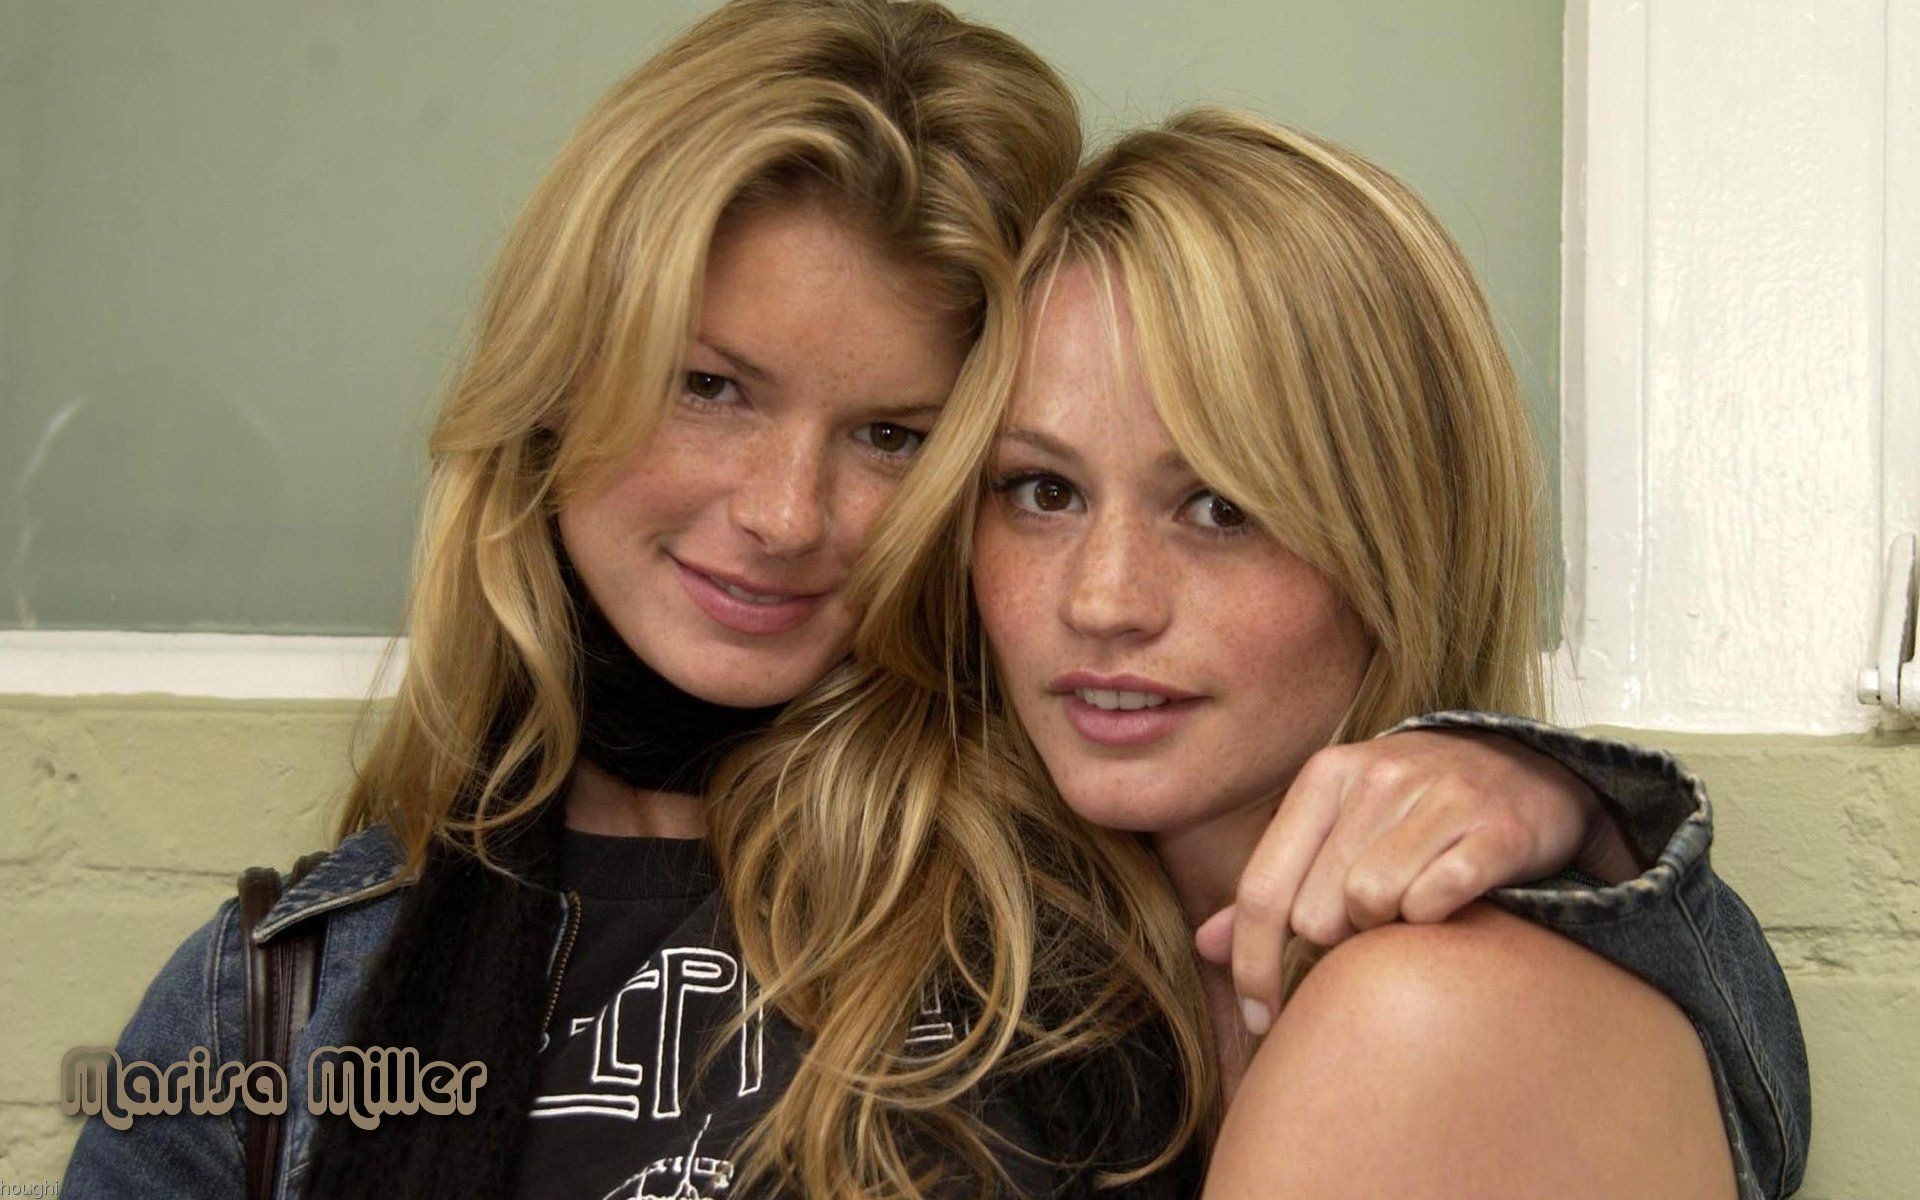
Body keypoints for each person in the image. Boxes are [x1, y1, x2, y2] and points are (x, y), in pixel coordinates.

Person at [63, 4, 1803, 1199]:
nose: (782, 515)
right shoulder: (271, 993)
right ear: (555, 378)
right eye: (710, 386)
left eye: (896, 434)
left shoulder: (1063, 879)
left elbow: (1621, 1055)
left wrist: (1559, 807)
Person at [723, 108, 1809, 1198]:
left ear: (1397, 540)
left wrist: (1590, 805)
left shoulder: (1428, 1008)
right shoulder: (1020, 942)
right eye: (1043, 492)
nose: (1103, 601)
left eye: (1219, 508)